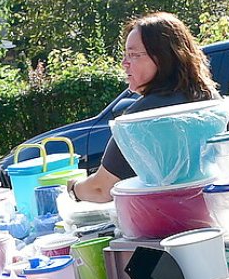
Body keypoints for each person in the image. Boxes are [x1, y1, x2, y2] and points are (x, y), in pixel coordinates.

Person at [65, 12, 220, 204]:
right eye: (125, 55)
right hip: (215, 212)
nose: (124, 63)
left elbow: (101, 189)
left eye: (134, 55)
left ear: (163, 58)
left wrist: (73, 188)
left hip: (164, 223)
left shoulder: (142, 116)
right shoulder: (210, 99)